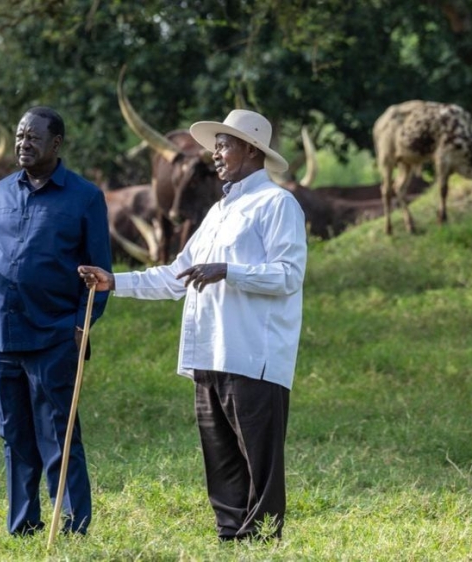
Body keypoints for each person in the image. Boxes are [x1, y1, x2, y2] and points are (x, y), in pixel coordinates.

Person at [78, 109, 307, 542]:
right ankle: (229, 539)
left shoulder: (278, 204)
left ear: (252, 151)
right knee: (220, 464)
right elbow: (175, 276)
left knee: (259, 464)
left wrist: (230, 271)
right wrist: (114, 282)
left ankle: (262, 546)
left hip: (253, 358)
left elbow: (288, 275)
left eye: (225, 145)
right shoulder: (220, 210)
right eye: (216, 145)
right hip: (208, 354)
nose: (215, 154)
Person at [0, 106, 113, 536]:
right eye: (19, 137)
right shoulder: (0, 192)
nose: (23, 144)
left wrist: (81, 325)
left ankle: (73, 526)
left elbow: (99, 276)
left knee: (59, 433)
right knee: (14, 435)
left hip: (56, 334)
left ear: (56, 143)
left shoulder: (84, 197)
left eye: (33, 137)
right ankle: (23, 524)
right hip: (4, 334)